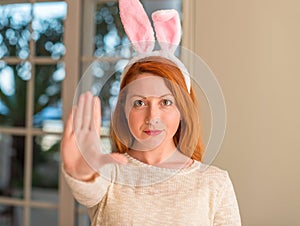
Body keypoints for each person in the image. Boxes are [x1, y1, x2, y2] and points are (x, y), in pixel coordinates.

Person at [61, 0, 241, 225]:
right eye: (139, 103)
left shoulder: (215, 182)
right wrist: (81, 172)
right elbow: (88, 189)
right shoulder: (111, 174)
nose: (152, 117)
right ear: (124, 110)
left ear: (183, 110)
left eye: (165, 102)